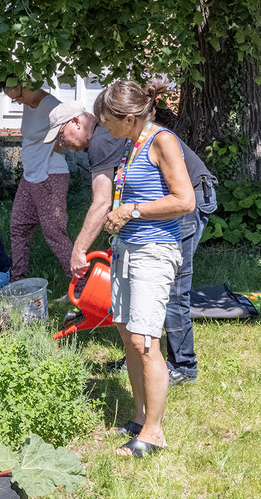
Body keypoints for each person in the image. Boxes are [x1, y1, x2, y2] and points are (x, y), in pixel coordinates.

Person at [48, 100, 218, 386]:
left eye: (61, 136)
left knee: (173, 287)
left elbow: (101, 202)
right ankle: (139, 357)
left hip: (188, 200)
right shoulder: (110, 135)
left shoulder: (102, 139)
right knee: (138, 285)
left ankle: (183, 366)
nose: (62, 145)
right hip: (162, 203)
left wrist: (78, 250)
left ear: (76, 123)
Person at [88, 80, 195, 457]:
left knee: (146, 341)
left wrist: (131, 211)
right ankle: (138, 417)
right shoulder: (132, 142)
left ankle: (154, 433)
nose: (102, 127)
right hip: (127, 249)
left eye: (106, 121)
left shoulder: (162, 140)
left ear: (129, 118)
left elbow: (184, 200)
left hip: (154, 250)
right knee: (128, 335)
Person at [0, 80, 73, 281]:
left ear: (27, 83)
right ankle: (17, 281)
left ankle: (80, 285)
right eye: (14, 100)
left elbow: (70, 134)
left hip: (50, 174)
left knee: (54, 232)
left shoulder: (53, 106)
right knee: (18, 226)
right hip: (30, 176)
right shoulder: (29, 105)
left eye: (19, 96)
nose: (19, 102)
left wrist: (54, 149)